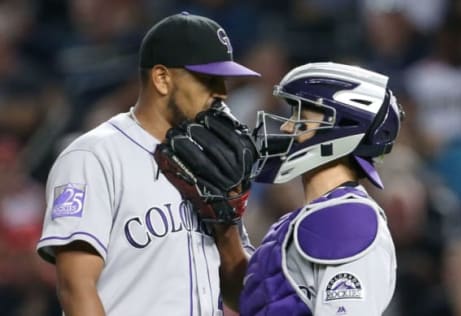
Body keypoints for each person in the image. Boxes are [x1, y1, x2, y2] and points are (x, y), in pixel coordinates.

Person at [36, 12, 260, 316]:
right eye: (208, 79)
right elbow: (75, 287)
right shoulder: (94, 156)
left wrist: (227, 223)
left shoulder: (210, 163)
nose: (221, 91)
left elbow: (239, 296)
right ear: (162, 78)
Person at [240, 62, 404, 315]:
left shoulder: (346, 218)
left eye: (301, 118)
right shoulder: (309, 217)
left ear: (341, 129)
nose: (286, 127)